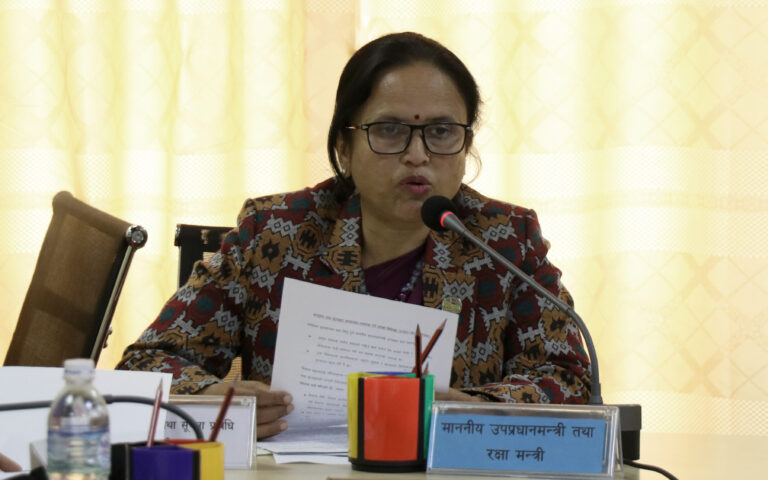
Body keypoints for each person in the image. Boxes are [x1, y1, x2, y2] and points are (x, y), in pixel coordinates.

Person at [117, 31, 591, 440]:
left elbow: (568, 378)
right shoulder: (273, 233)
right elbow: (147, 364)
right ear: (344, 146)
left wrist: (477, 409)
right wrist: (217, 400)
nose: (418, 155)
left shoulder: (503, 239)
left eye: (442, 132)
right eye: (390, 130)